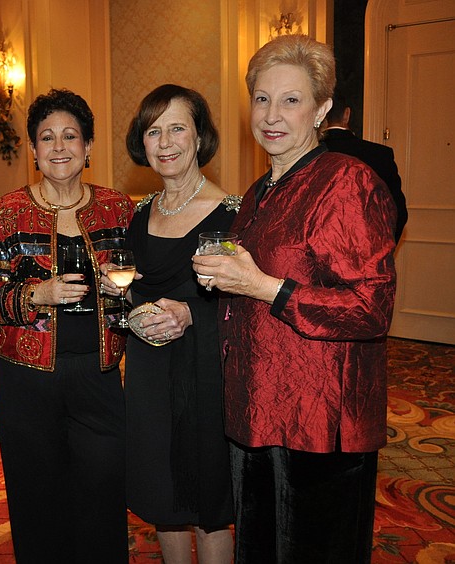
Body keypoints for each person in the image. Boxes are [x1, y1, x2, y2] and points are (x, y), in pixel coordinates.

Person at [192, 34, 397, 564]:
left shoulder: (347, 182)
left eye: (291, 100)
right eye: (262, 99)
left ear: (322, 109)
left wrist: (263, 286)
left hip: (320, 419)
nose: (271, 115)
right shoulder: (259, 190)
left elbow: (371, 308)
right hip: (256, 408)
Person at [0, 88, 133, 562]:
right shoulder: (6, 212)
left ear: (88, 147)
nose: (59, 146)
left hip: (99, 374)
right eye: (47, 137)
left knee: (104, 492)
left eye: (71, 136)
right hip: (25, 380)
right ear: (33, 149)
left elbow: (141, 283)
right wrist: (36, 295)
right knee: (37, 497)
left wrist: (124, 291)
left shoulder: (117, 208)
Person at [113, 84, 237, 563]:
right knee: (162, 499)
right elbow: (136, 290)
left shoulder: (230, 216)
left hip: (204, 374)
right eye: (153, 131)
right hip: (149, 373)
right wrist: (118, 292)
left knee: (208, 504)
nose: (164, 142)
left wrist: (191, 313)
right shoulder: (140, 213)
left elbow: (242, 305)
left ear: (200, 136)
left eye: (177, 128)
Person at [321, 87, 407, 242]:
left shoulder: (309, 156)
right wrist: (384, 246)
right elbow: (398, 211)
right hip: (369, 245)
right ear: (347, 114)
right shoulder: (380, 154)